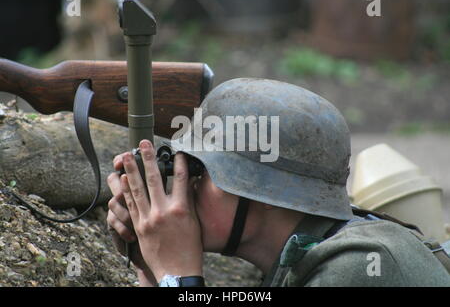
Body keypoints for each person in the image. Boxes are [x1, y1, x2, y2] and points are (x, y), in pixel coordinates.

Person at [106, 78, 450, 287]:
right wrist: (151, 264)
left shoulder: (359, 267)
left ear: (267, 191)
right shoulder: (301, 256)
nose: (183, 188)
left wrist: (177, 274)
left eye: (198, 170)